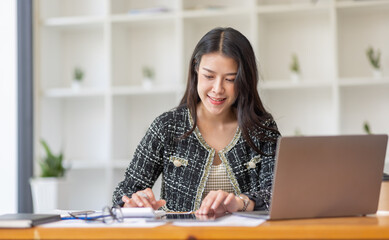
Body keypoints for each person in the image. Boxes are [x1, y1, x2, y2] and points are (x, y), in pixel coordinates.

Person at [112, 27, 281, 215]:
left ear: (244, 80)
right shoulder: (167, 126)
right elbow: (125, 191)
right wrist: (133, 203)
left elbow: (279, 194)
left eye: (230, 79)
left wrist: (240, 202)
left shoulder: (262, 128)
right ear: (195, 68)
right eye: (209, 76)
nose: (217, 89)